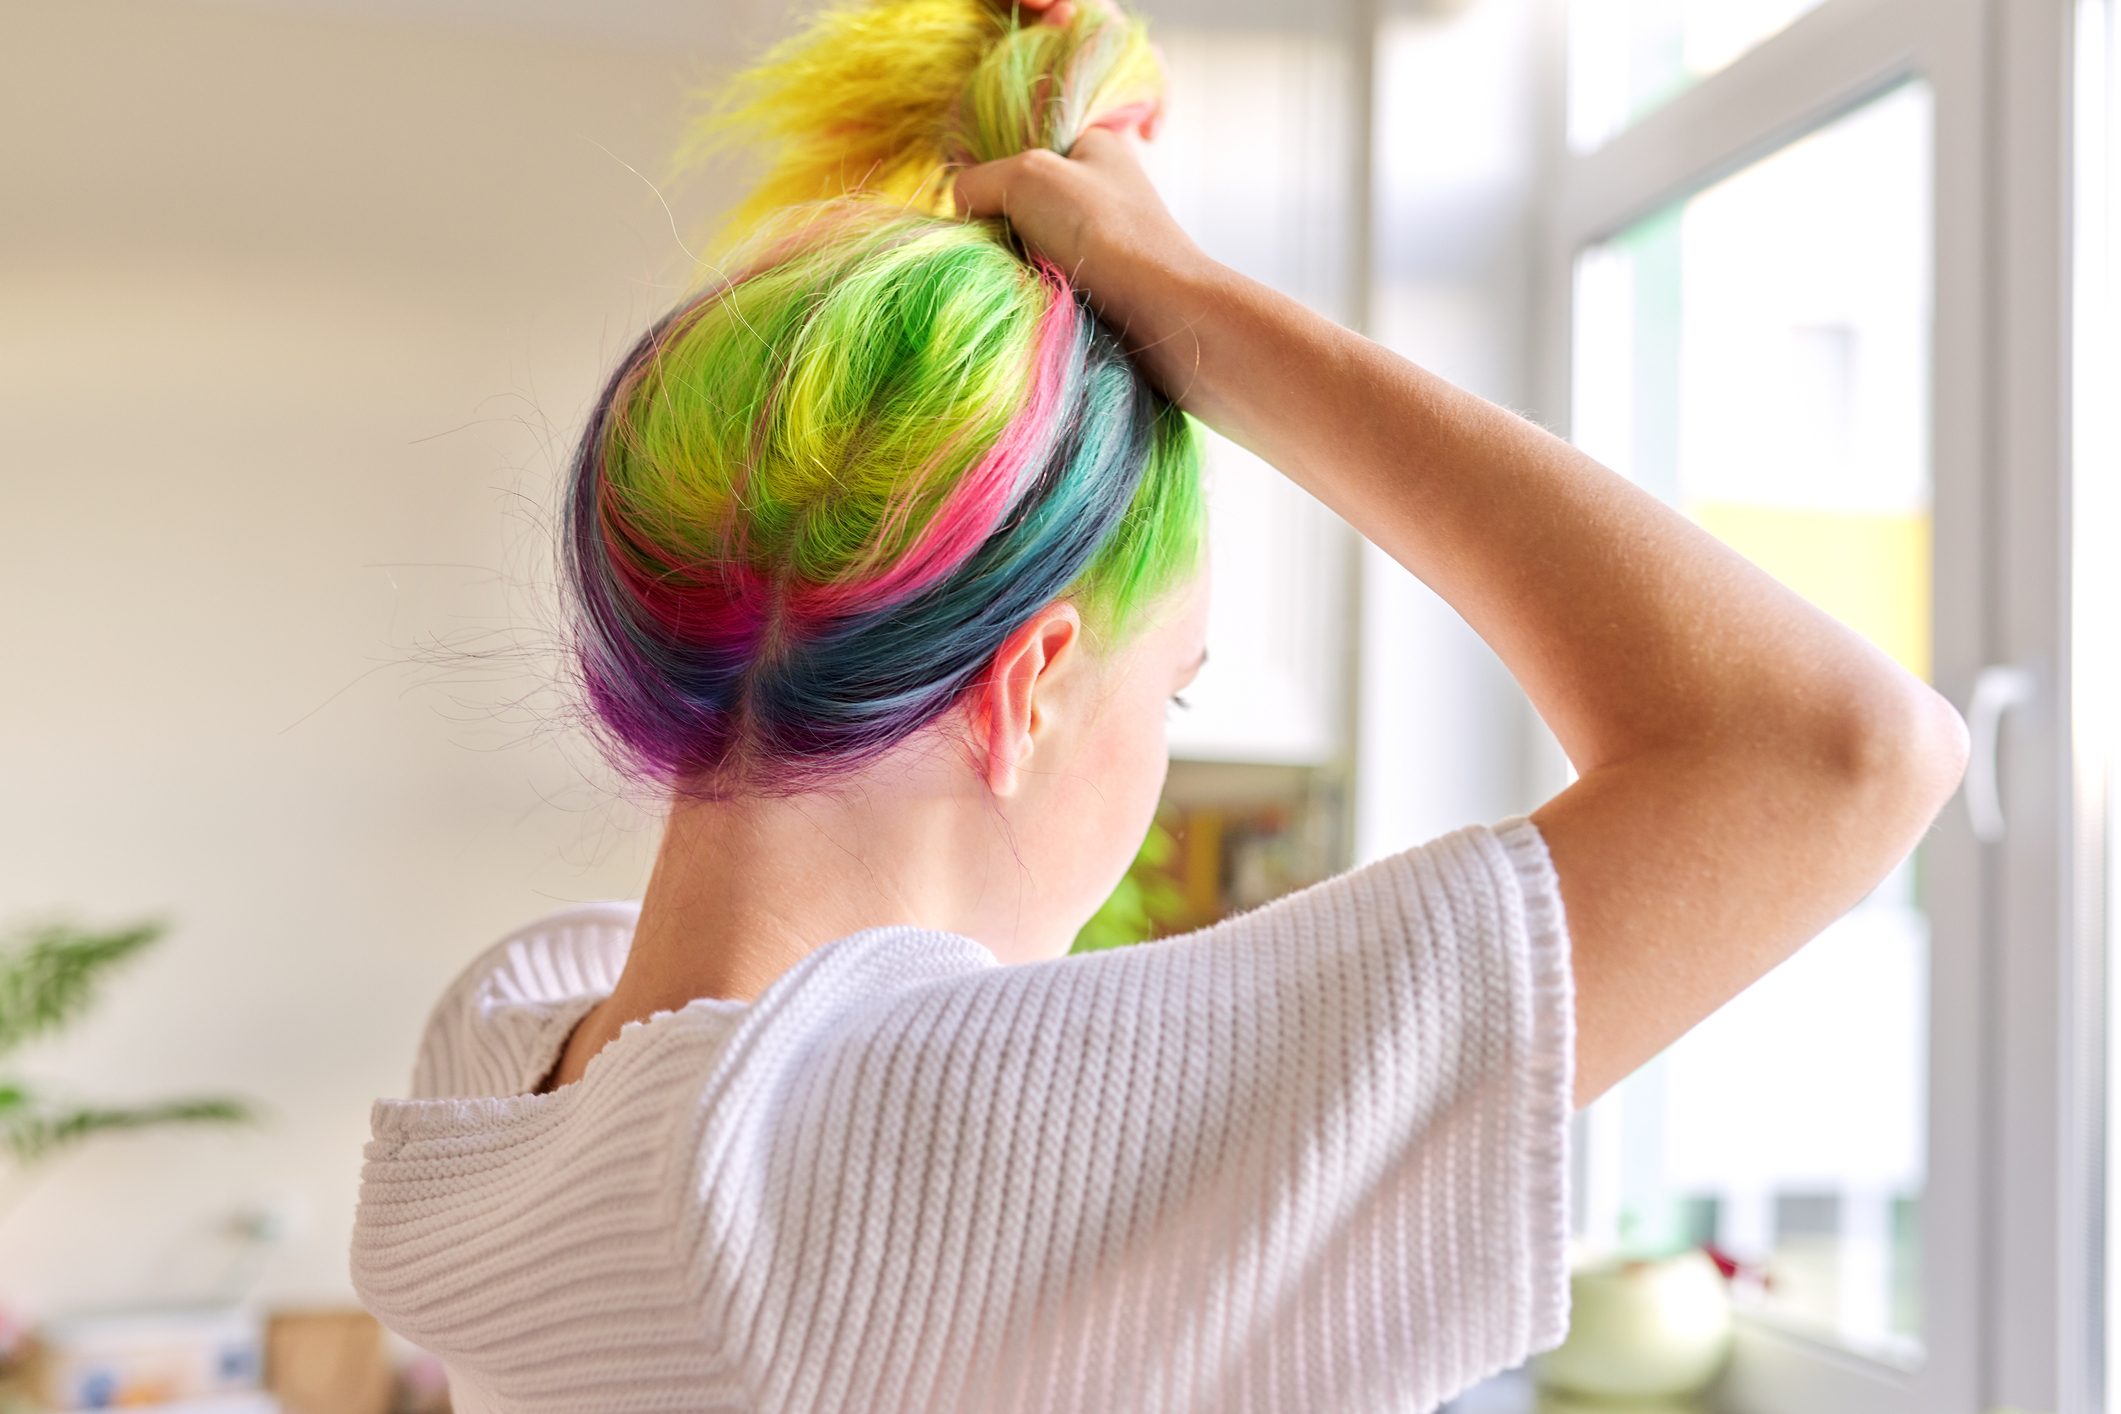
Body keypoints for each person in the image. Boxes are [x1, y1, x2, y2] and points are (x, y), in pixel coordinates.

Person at [348, 1, 1970, 1410]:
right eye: (1173, 692)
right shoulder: (892, 1158)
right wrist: (1173, 292)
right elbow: (1831, 751)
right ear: (1029, 687)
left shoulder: (502, 1053)